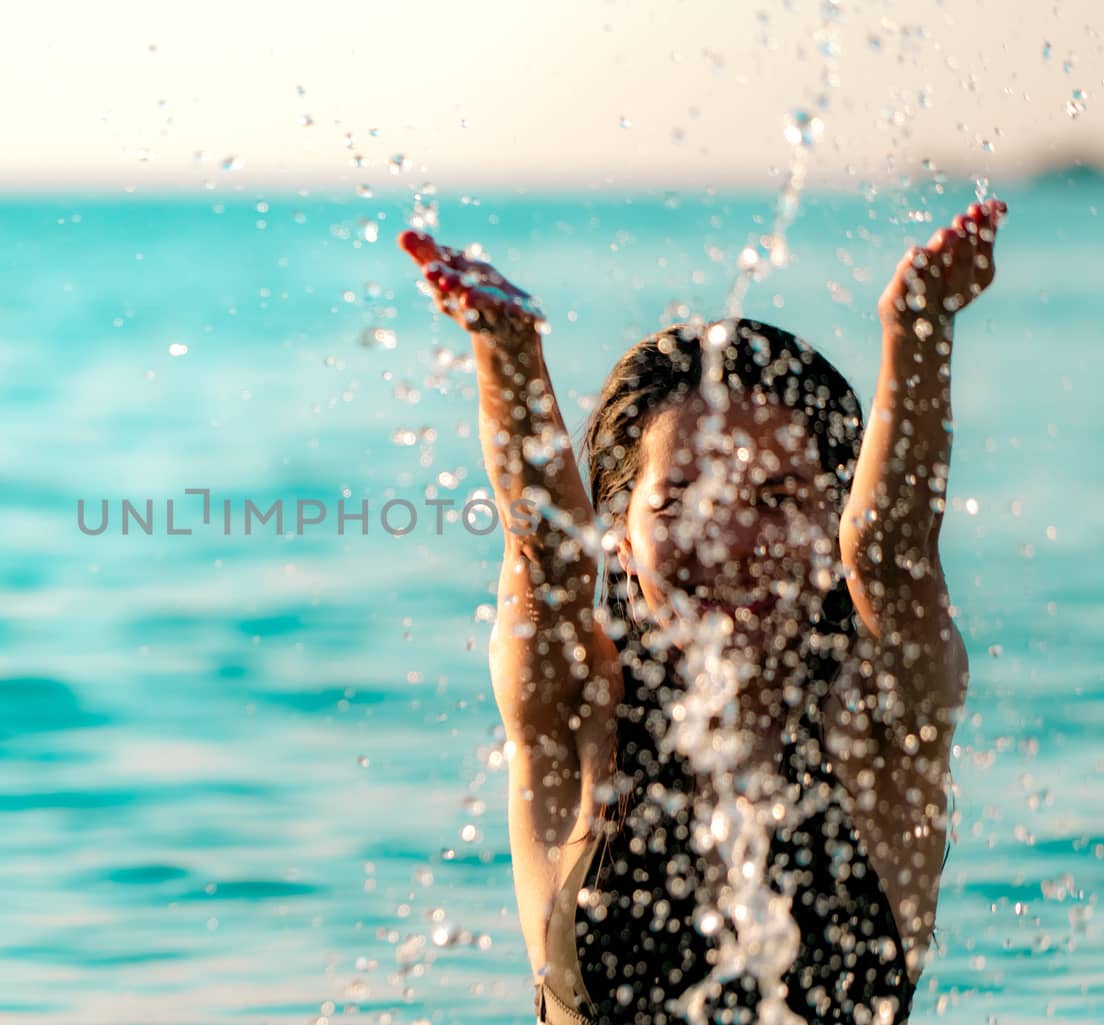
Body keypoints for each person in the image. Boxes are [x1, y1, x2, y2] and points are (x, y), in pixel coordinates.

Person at [397, 197, 1004, 1024]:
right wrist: (507, 354)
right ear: (620, 531)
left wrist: (919, 327)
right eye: (680, 498)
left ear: (836, 517)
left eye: (777, 496)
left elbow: (893, 564)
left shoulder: (881, 719)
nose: (727, 536)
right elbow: (547, 565)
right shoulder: (582, 719)